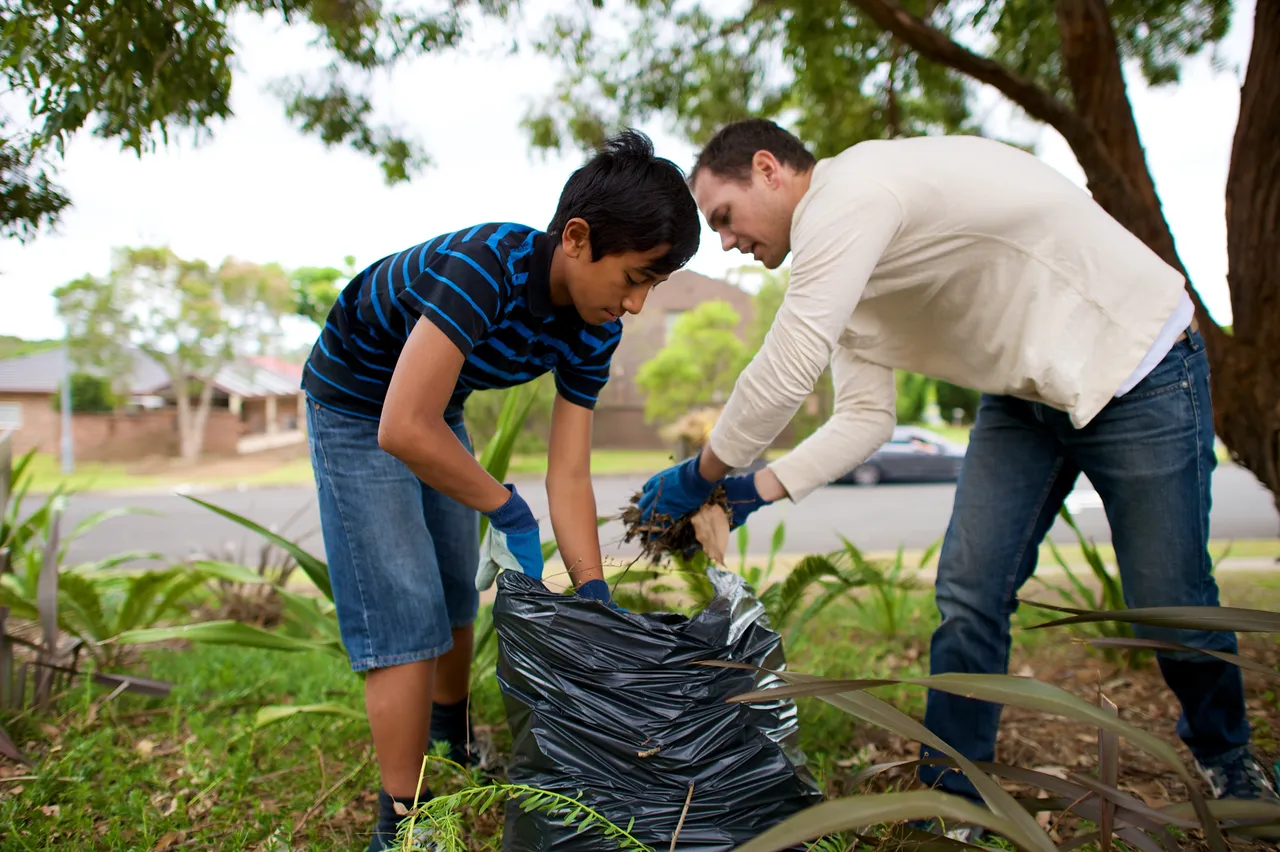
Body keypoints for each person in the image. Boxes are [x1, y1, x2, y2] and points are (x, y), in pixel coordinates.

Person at [636, 117, 1276, 839]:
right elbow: (866, 420)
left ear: (770, 169)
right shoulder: (843, 263)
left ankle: (1228, 756)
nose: (725, 242)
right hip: (1025, 394)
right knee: (969, 592)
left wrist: (703, 472)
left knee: (1169, 602)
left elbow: (789, 363)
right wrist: (753, 490)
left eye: (724, 216)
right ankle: (954, 800)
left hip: (1136, 366)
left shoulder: (853, 194)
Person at [302, 129, 700, 851]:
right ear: (577, 238)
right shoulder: (487, 267)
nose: (637, 303)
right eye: (636, 277)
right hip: (358, 405)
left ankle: (453, 739)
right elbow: (400, 427)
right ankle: (404, 821)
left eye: (654, 286)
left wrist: (591, 589)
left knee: (459, 584)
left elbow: (569, 471)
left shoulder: (594, 325)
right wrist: (505, 506)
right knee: (404, 603)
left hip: (433, 407)